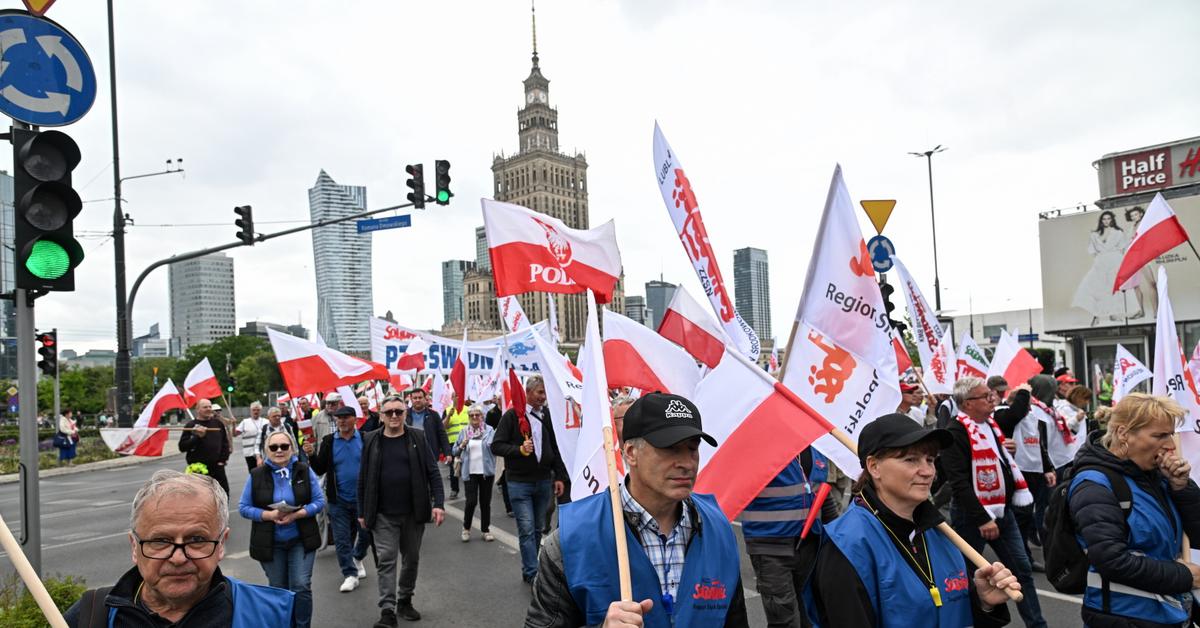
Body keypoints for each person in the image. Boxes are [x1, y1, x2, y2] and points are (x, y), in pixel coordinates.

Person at [526, 392, 749, 627]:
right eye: (671, 448)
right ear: (631, 452)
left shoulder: (718, 528)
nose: (686, 463)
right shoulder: (573, 537)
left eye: (692, 448)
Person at [807, 413, 1018, 627]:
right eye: (910, 460)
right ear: (874, 467)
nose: (927, 472)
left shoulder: (942, 533)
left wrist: (983, 604)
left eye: (930, 460)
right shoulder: (847, 546)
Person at [65, 470, 295, 627]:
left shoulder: (273, 614)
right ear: (134, 546)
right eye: (160, 541)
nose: (177, 558)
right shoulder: (90, 616)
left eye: (196, 539)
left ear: (221, 543)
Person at [1068, 393, 1200, 627]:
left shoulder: (1156, 477)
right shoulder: (1094, 485)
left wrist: (1182, 489)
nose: (1170, 445)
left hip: (1169, 612)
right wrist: (1184, 577)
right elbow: (1112, 560)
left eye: (1170, 434)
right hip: (1125, 617)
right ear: (1123, 433)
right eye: (1159, 435)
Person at [940, 376, 1048, 628]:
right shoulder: (954, 432)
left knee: (1020, 572)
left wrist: (1005, 451)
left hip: (1002, 511)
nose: (994, 400)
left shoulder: (992, 425)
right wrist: (982, 518)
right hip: (972, 515)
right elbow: (959, 482)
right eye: (986, 396)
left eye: (992, 395)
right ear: (967, 403)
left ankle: (1038, 625)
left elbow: (1000, 463)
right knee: (965, 576)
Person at [358, 394, 446, 627]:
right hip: (382, 514)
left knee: (412, 558)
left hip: (413, 512)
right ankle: (388, 610)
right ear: (381, 415)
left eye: (399, 411)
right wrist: (361, 511)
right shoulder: (370, 439)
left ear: (405, 414)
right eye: (389, 412)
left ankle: (405, 598)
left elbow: (433, 472)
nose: (394, 416)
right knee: (386, 559)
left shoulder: (417, 436)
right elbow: (363, 478)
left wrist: (438, 504)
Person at [238, 430, 324, 628]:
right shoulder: (256, 475)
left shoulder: (303, 469)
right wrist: (269, 515)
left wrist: (296, 514)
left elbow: (319, 501)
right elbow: (243, 508)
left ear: (292, 448)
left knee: (301, 586)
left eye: (284, 446)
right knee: (279, 590)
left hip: (301, 539)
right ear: (266, 450)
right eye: (274, 447)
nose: (279, 450)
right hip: (270, 543)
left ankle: (302, 625)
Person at [743, 447, 837, 628]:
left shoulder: (817, 451)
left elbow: (822, 495)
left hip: (810, 548)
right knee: (785, 621)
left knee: (809, 617)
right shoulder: (759, 446)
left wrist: (839, 538)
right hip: (770, 548)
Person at [491, 375, 569, 585]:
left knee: (536, 528)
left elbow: (555, 447)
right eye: (540, 392)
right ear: (528, 392)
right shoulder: (512, 416)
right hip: (519, 483)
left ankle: (531, 565)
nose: (543, 397)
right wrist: (519, 450)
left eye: (545, 393)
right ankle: (531, 571)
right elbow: (496, 445)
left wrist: (559, 476)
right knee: (526, 529)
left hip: (543, 481)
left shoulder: (547, 416)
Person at [307, 405, 372, 592]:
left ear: (355, 419)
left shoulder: (366, 439)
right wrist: (311, 455)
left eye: (346, 417)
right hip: (338, 500)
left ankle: (357, 557)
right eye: (338, 418)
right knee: (342, 539)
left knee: (366, 533)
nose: (342, 421)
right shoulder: (329, 441)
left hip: (363, 499)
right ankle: (350, 574)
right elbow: (319, 469)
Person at [1071, 210, 1129, 326]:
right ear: (1101, 221)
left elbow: (1123, 248)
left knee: (1113, 288)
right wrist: (1098, 258)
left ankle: (1114, 313)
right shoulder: (1094, 234)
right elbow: (1091, 249)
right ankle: (1096, 315)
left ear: (1112, 219)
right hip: (1101, 263)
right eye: (1104, 219)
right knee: (1096, 288)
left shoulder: (1118, 233)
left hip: (1114, 262)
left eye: (1108, 218)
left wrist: (1118, 260)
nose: (1106, 221)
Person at [452, 404, 497, 542]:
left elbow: (496, 448)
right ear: (469, 417)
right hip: (469, 472)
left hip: (486, 472)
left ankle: (485, 530)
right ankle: (466, 529)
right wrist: (461, 445)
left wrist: (492, 446)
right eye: (472, 415)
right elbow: (454, 451)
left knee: (485, 502)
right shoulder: (464, 432)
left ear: (482, 416)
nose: (475, 417)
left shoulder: (489, 431)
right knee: (471, 502)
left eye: (477, 415)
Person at [179, 399, 233, 494]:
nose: (208, 409)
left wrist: (223, 460)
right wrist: (197, 437)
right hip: (198, 470)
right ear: (198, 409)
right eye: (205, 407)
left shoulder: (218, 423)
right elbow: (182, 447)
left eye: (209, 407)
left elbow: (225, 443)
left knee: (223, 494)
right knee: (200, 496)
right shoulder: (191, 425)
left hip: (217, 467)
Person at [407, 388, 451, 477]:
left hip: (430, 453)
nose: (417, 400)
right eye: (415, 398)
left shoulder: (434, 415)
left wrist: (447, 453)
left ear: (425, 398)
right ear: (411, 399)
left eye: (420, 397)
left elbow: (442, 434)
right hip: (410, 454)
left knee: (431, 480)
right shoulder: (404, 415)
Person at [1048, 386, 1090, 478]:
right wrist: (1076, 419)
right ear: (1078, 397)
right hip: (1063, 457)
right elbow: (1063, 429)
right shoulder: (1063, 409)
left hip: (1075, 454)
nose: (1087, 402)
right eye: (1086, 399)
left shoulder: (1078, 410)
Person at [444, 398, 471, 499]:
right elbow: (443, 426)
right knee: (454, 467)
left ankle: (470, 489)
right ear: (452, 398)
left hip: (467, 442)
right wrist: (448, 416)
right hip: (453, 443)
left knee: (468, 465)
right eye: (455, 396)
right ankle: (454, 489)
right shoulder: (447, 410)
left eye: (460, 396)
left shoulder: (468, 409)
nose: (458, 398)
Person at [235, 402, 268, 472]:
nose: (256, 412)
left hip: (264, 452)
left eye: (258, 410)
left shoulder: (266, 422)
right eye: (254, 410)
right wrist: (233, 424)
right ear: (251, 411)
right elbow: (235, 434)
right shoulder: (245, 422)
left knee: (265, 472)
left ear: (260, 411)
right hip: (249, 452)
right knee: (253, 472)